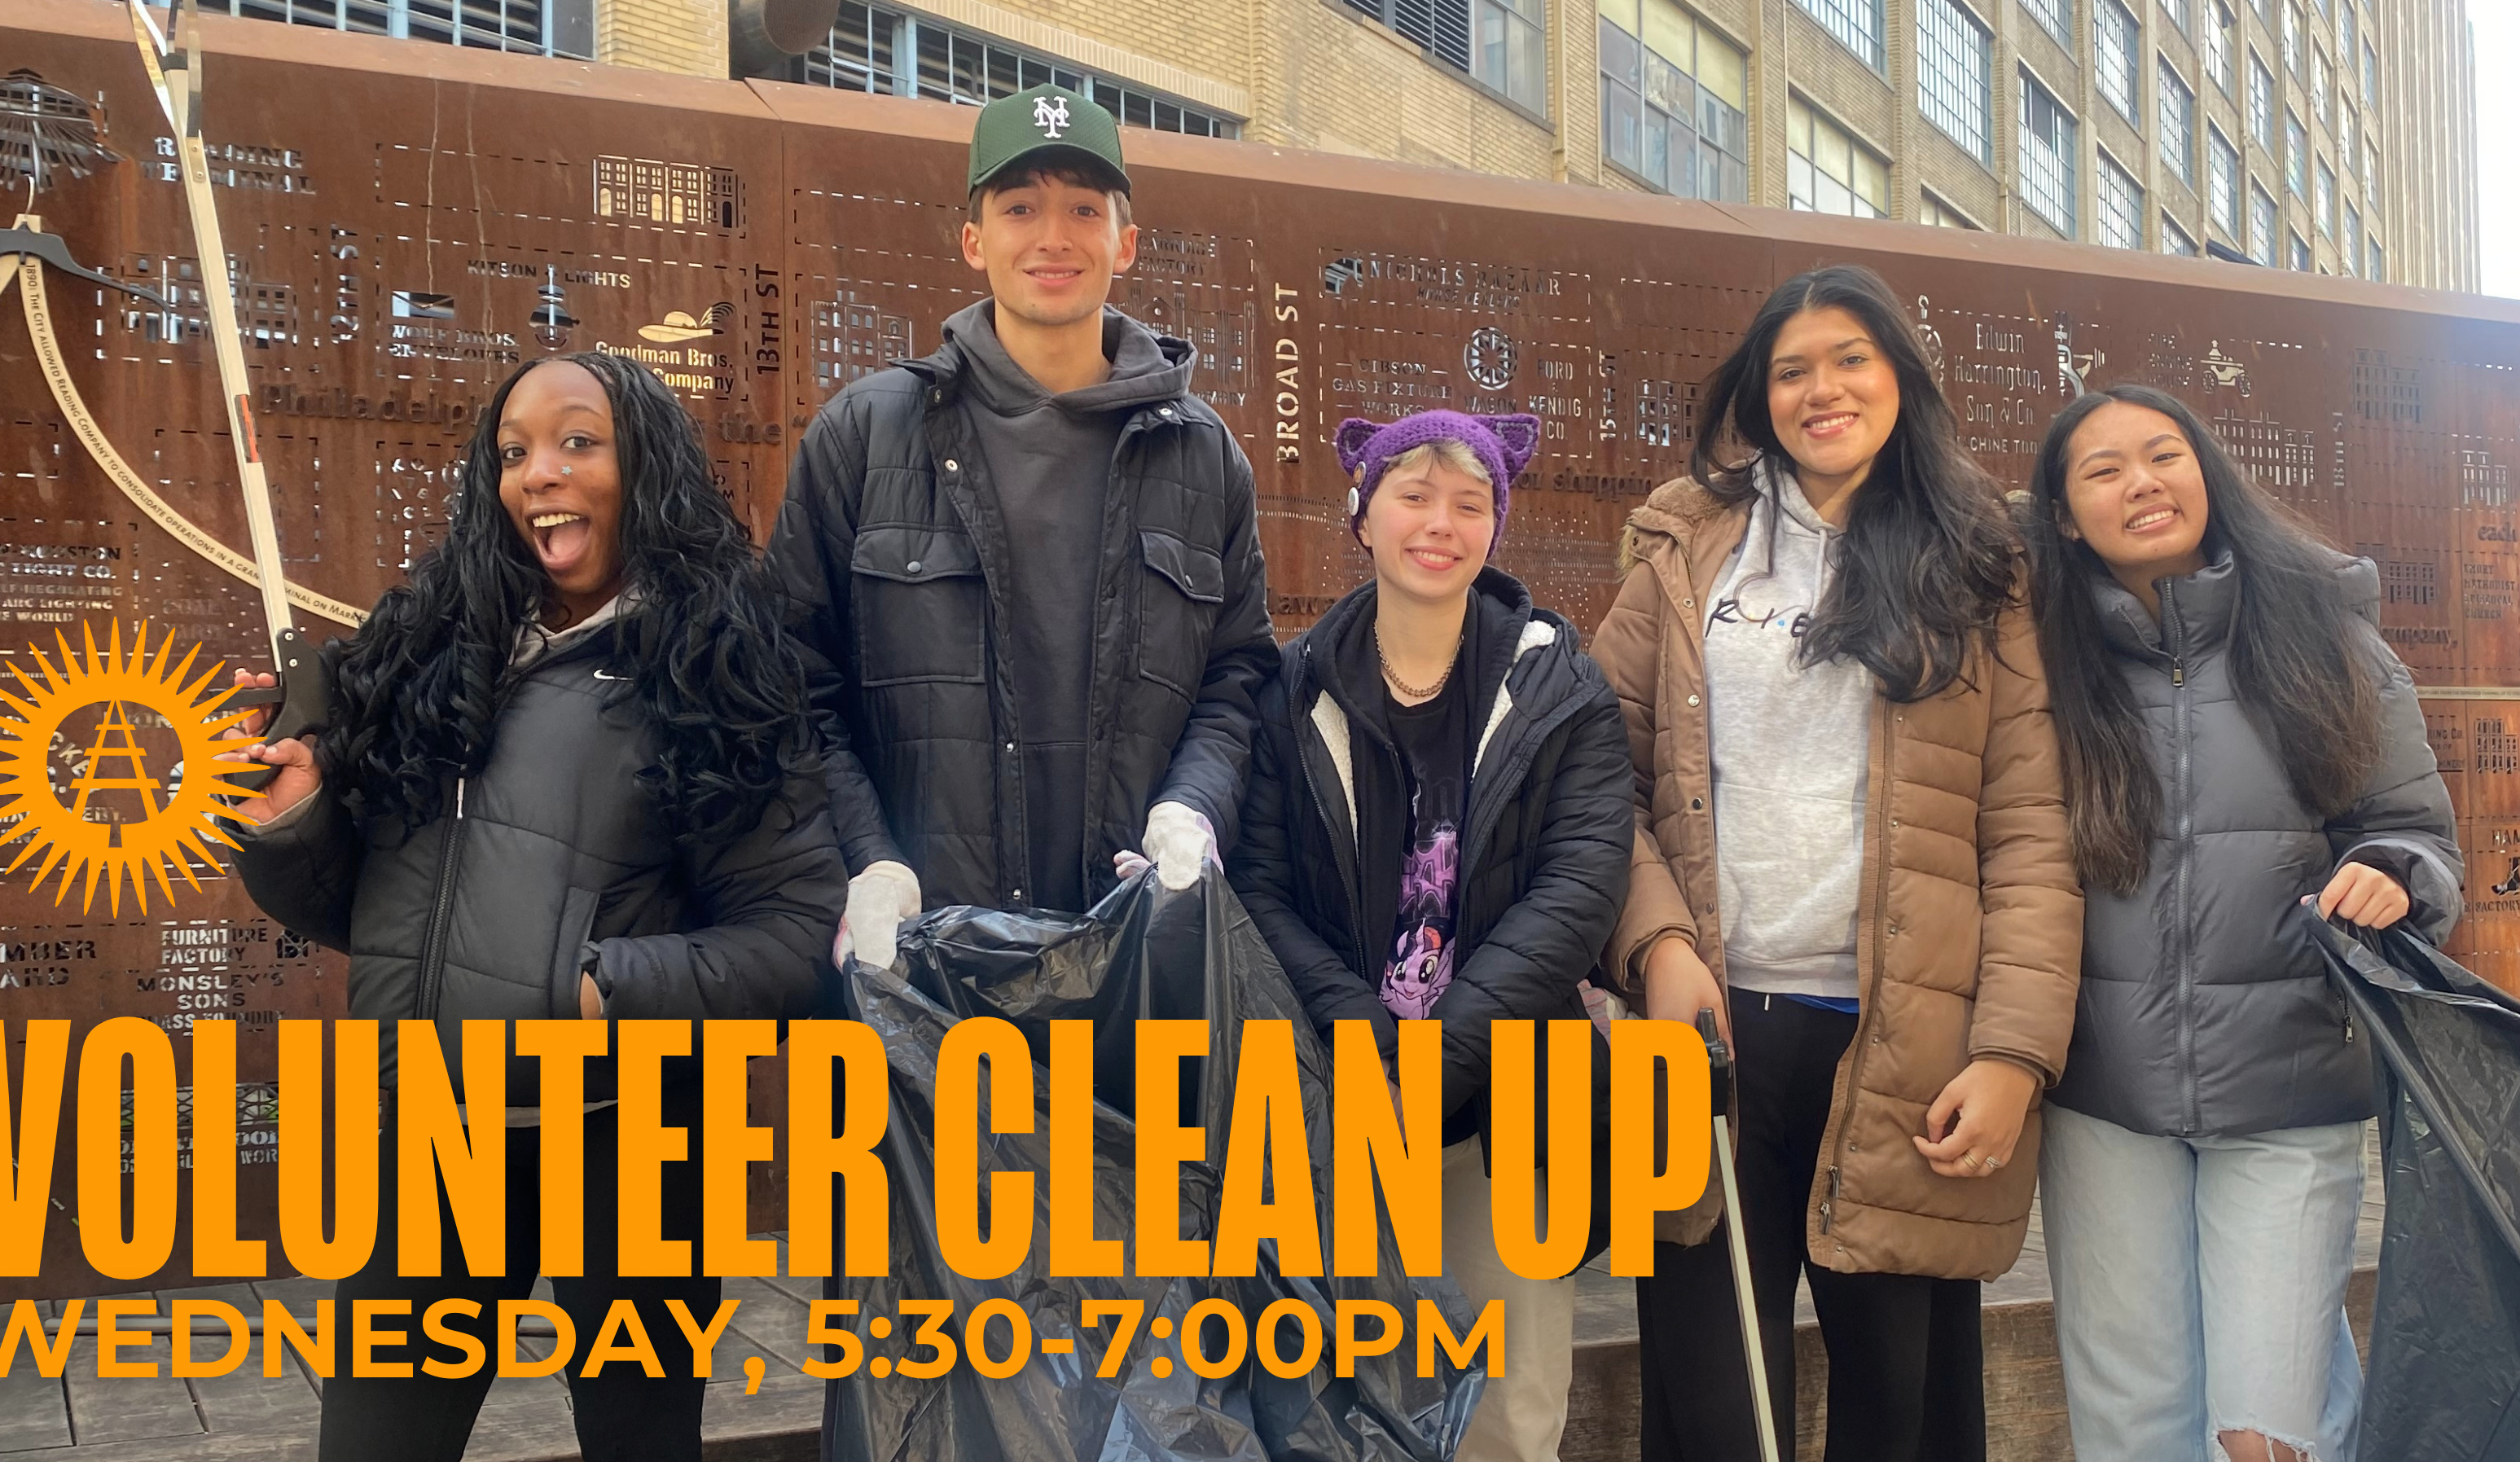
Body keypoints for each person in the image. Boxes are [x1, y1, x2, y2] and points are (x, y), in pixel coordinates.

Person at [219, 353, 846, 1462]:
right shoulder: (428, 654)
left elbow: (800, 934)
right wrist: (294, 821)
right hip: (434, 1137)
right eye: (513, 452)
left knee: (639, 1440)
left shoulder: (715, 666)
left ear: (641, 466)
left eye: (577, 443)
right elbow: (370, 917)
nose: (538, 474)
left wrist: (606, 987)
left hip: (629, 1138)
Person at [1591, 262, 2082, 1460]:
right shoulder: (1684, 547)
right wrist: (1654, 945)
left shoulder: (1984, 564)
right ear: (1758, 398)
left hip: (1905, 1042)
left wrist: (2014, 1051)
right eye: (1792, 369)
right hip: (1711, 1032)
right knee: (1712, 1408)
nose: (1824, 390)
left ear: (1900, 381)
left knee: (1905, 1414)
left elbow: (2029, 828)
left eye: (1851, 360)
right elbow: (1596, 775)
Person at [2017, 385, 2461, 1462]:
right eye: (2105, 470)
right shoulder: (2035, 659)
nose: (2142, 482)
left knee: (2271, 1430)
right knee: (2132, 1423)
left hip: (2289, 1078)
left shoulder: (2327, 639)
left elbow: (2414, 832)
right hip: (2102, 1091)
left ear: (2206, 474)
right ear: (2068, 517)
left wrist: (2393, 875)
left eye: (2164, 455)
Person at [759, 83, 1276, 959]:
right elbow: (792, 682)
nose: (1053, 236)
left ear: (1127, 242)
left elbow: (1238, 677)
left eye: (1083, 207)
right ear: (973, 240)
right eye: (1020, 206)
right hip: (920, 957)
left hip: (1134, 954)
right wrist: (870, 858)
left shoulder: (1202, 455)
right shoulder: (867, 432)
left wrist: (1192, 807)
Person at [1229, 409, 1633, 1462]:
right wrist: (1357, 1031)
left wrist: (1445, 1046)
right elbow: (1259, 885)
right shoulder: (1292, 687)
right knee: (1337, 1390)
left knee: (1509, 1402)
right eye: (1413, 496)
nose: (1439, 524)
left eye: (1470, 502)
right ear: (1362, 514)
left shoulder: (1559, 685)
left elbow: (1582, 880)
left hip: (1508, 1101)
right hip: (1332, 1090)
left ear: (1497, 524)